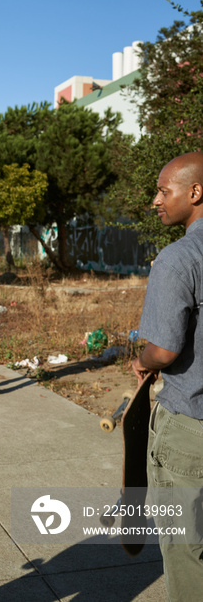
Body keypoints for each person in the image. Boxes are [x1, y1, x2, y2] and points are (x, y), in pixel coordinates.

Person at [132, 152, 203, 601]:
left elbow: (164, 349)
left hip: (190, 430)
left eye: (164, 190)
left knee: (187, 553)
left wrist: (142, 360)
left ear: (195, 192)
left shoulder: (179, 258)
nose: (156, 200)